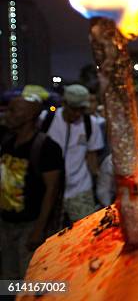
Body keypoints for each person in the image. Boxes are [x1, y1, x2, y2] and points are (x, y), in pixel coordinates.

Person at [0, 91, 63, 279]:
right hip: (6, 224)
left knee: (30, 280)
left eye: (13, 111)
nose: (7, 114)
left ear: (29, 116)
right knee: (8, 278)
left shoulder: (46, 147)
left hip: (30, 226)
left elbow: (51, 191)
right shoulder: (8, 142)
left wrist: (38, 230)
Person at [41, 84, 104, 222]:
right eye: (74, 109)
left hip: (80, 189)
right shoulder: (47, 119)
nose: (77, 114)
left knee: (86, 231)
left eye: (81, 110)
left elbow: (92, 156)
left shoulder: (90, 123)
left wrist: (98, 181)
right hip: (50, 191)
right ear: (64, 103)